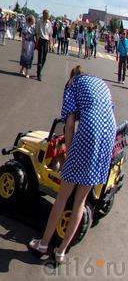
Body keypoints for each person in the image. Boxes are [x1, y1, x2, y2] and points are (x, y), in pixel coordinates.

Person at [27, 66, 116, 265]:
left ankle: (43, 243)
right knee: (80, 202)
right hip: (109, 131)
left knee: (63, 197)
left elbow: (68, 125)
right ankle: (61, 251)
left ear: (72, 77)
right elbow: (106, 110)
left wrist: (69, 151)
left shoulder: (72, 85)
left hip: (90, 129)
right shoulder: (99, 82)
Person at [35, 10, 52, 81]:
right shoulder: (39, 22)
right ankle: (39, 74)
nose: (48, 16)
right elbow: (36, 32)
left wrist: (50, 43)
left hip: (46, 41)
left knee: (44, 58)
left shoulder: (49, 23)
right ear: (44, 14)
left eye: (48, 15)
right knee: (40, 58)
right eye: (47, 14)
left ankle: (39, 70)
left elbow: (50, 33)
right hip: (41, 40)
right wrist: (37, 42)